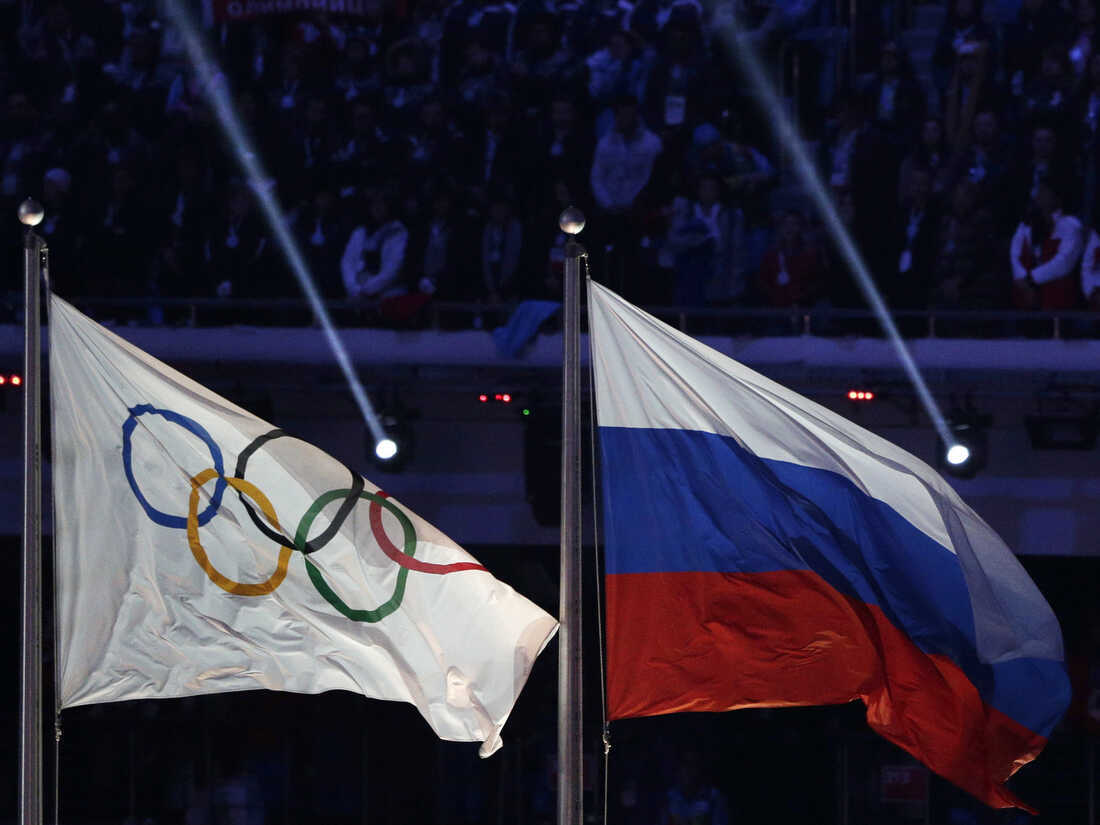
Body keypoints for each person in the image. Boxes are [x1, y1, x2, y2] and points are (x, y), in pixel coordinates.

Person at [1010, 177, 1085, 310]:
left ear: (1057, 197)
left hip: (1058, 298)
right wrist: (1022, 280)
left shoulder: (1071, 225)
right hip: (1025, 293)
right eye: (1039, 191)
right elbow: (1015, 254)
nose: (1039, 195)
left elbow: (1064, 263)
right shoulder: (1026, 224)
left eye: (1045, 191)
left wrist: (1031, 279)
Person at [341, 187, 410, 301]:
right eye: (374, 204)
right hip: (358, 295)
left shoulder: (398, 232)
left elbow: (393, 269)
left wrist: (368, 289)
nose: (377, 208)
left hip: (389, 295)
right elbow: (347, 262)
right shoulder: (360, 232)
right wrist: (354, 288)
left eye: (382, 204)